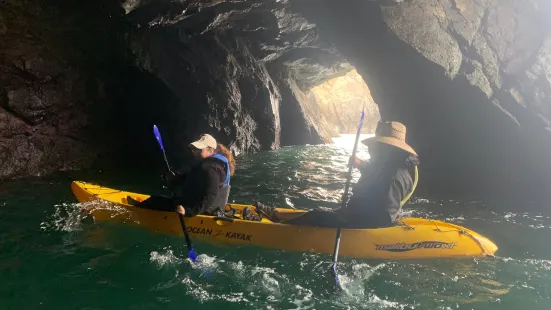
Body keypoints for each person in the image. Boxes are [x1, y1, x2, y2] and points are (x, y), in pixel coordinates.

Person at [256, 121, 420, 229]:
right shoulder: (388, 164)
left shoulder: (394, 177)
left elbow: (384, 217)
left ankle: (277, 227)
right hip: (356, 214)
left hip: (364, 224)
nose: (371, 148)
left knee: (319, 214)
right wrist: (359, 164)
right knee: (319, 211)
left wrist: (347, 219)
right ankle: (277, 214)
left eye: (376, 145)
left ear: (387, 148)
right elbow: (374, 174)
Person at [168, 134, 236, 217]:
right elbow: (196, 179)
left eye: (199, 150)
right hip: (201, 206)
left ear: (211, 150)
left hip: (204, 210)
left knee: (153, 203)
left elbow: (210, 195)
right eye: (195, 149)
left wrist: (188, 211)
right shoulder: (208, 164)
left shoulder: (211, 168)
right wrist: (178, 177)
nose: (195, 153)